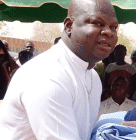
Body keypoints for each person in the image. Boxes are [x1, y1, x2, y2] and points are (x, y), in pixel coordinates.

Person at [0, 0, 119, 139]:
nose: (108, 32)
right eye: (97, 23)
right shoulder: (47, 76)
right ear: (69, 26)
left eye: (113, 27)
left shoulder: (92, 75)